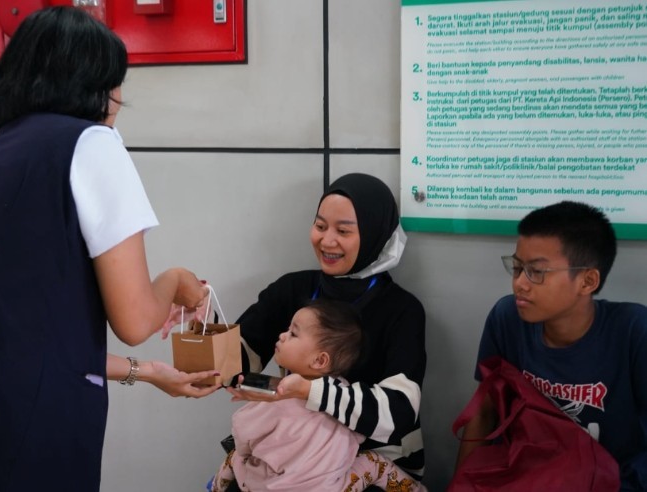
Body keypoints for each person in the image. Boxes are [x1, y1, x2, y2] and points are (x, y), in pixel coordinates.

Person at [0, 7, 217, 492]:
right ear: (98, 88)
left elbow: (14, 332)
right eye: (116, 85)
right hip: (0, 437)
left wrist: (148, 374)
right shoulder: (94, 143)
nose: (119, 101)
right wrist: (177, 280)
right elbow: (137, 320)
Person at [226, 173, 427, 487]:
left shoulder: (402, 310)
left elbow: (399, 412)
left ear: (376, 233)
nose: (326, 240)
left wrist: (307, 391)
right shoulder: (292, 289)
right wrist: (201, 331)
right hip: (294, 450)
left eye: (343, 230)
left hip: (376, 462)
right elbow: (235, 368)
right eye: (320, 226)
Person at [455, 201, 647, 490]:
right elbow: (485, 410)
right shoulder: (507, 318)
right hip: (522, 480)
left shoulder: (634, 331)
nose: (520, 283)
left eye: (537, 272)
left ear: (587, 281)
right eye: (517, 268)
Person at [211, 299, 425, 492]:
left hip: (275, 487)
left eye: (293, 333)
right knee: (375, 462)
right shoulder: (346, 393)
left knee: (236, 458)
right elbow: (359, 434)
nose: (282, 335)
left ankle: (215, 488)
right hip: (332, 487)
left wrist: (243, 452)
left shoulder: (276, 399)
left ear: (320, 360)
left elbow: (243, 432)